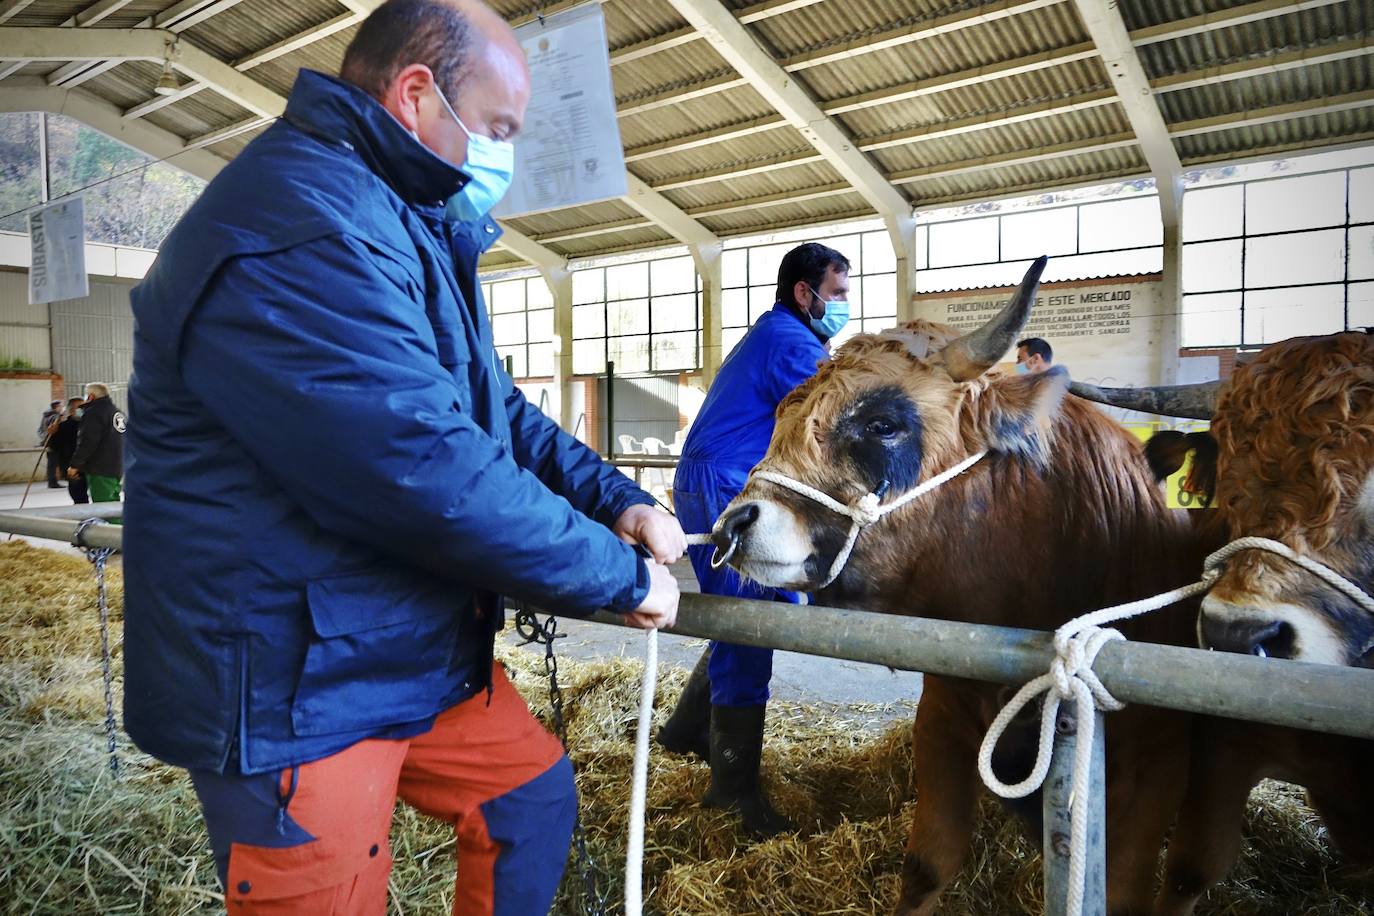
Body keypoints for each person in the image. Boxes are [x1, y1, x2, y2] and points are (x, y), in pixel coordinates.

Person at [122, 2, 685, 913]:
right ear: (417, 94)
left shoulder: (396, 216)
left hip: (390, 639)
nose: (504, 154)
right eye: (498, 129)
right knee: (330, 893)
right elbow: (419, 467)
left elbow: (492, 410)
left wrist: (616, 499)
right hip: (288, 676)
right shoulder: (300, 228)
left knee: (528, 801)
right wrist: (615, 578)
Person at [658, 242, 851, 837]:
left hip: (717, 477)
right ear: (805, 292)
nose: (844, 306)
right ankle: (733, 792)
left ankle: (687, 730)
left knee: (743, 613)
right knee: (748, 626)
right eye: (838, 294)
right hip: (725, 485)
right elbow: (839, 415)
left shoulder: (774, 333)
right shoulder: (792, 344)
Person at [68, 383, 125, 503]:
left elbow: (88, 441)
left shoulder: (94, 413)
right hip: (118, 466)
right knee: (114, 503)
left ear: (91, 396)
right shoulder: (117, 412)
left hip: (100, 468)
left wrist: (75, 465)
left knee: (103, 506)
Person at [48, 397, 89, 504]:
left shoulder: (90, 424)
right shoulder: (63, 426)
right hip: (72, 466)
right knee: (78, 495)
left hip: (91, 466)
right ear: (71, 409)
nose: (82, 410)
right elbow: (54, 446)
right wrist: (52, 433)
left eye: (84, 407)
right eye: (79, 407)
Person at [38, 399, 62, 488]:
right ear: (56, 407)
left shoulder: (45, 416)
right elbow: (54, 429)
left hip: (48, 442)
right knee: (53, 463)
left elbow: (40, 429)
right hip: (54, 443)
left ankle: (52, 481)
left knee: (51, 463)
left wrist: (43, 438)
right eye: (60, 406)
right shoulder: (55, 416)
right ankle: (52, 482)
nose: (61, 408)